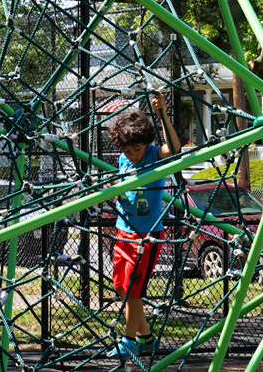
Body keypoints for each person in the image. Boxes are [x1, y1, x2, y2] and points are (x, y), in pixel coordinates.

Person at [105, 94, 180, 360]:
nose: (132, 155)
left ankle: (129, 341)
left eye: (135, 149)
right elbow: (121, 186)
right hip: (123, 230)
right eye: (126, 151)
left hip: (145, 237)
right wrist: (111, 188)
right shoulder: (125, 160)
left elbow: (174, 148)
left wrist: (162, 114)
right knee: (121, 287)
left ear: (145, 143)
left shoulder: (152, 155)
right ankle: (146, 338)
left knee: (134, 292)